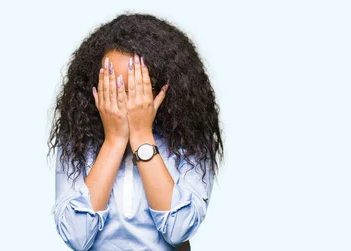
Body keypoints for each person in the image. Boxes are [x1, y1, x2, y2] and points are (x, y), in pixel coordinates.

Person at [48, 13, 223, 251]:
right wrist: (114, 141)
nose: (123, 101)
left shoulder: (191, 136)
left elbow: (178, 230)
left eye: (138, 89)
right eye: (112, 88)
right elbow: (77, 236)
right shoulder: (78, 138)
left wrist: (141, 136)